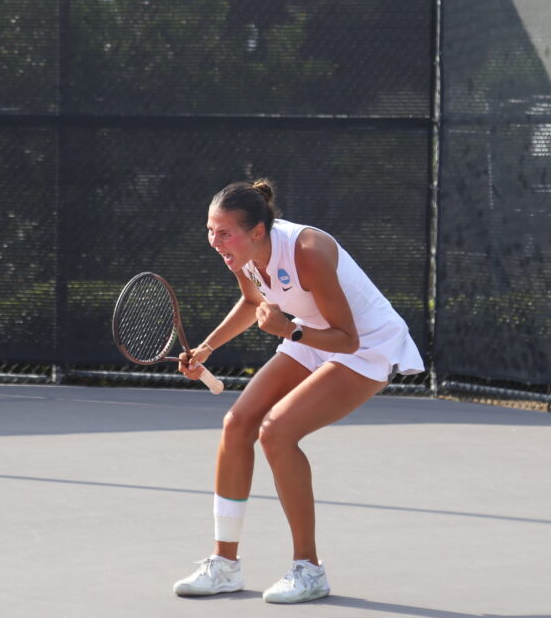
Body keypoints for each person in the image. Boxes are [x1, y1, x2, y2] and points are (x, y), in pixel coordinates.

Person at [172, 178, 423, 604]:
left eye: (224, 232)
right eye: (210, 230)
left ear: (257, 231)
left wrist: (290, 330)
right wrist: (206, 349)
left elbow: (347, 339)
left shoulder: (307, 251)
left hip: (365, 345)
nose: (215, 241)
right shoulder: (244, 255)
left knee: (276, 432)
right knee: (237, 424)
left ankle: (309, 570)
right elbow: (253, 304)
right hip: (311, 337)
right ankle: (225, 565)